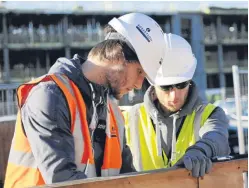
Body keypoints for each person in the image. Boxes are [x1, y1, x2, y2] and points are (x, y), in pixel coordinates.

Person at [4, 13, 167, 188]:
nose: (138, 84)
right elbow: (63, 180)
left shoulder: (112, 111)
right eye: (139, 72)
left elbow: (127, 177)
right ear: (118, 56)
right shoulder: (49, 96)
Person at [123, 33, 230, 178]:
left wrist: (200, 150)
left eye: (181, 84)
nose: (174, 96)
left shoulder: (210, 114)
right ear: (153, 82)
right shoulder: (129, 118)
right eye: (166, 87)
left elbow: (217, 139)